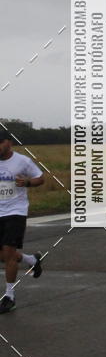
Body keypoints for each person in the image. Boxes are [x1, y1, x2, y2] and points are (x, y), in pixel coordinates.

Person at [0, 133, 44, 314]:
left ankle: (9, 297)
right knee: (3, 255)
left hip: (15, 212)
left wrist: (27, 182)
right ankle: (31, 260)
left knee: (8, 253)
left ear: (8, 143)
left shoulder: (22, 161)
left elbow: (40, 178)